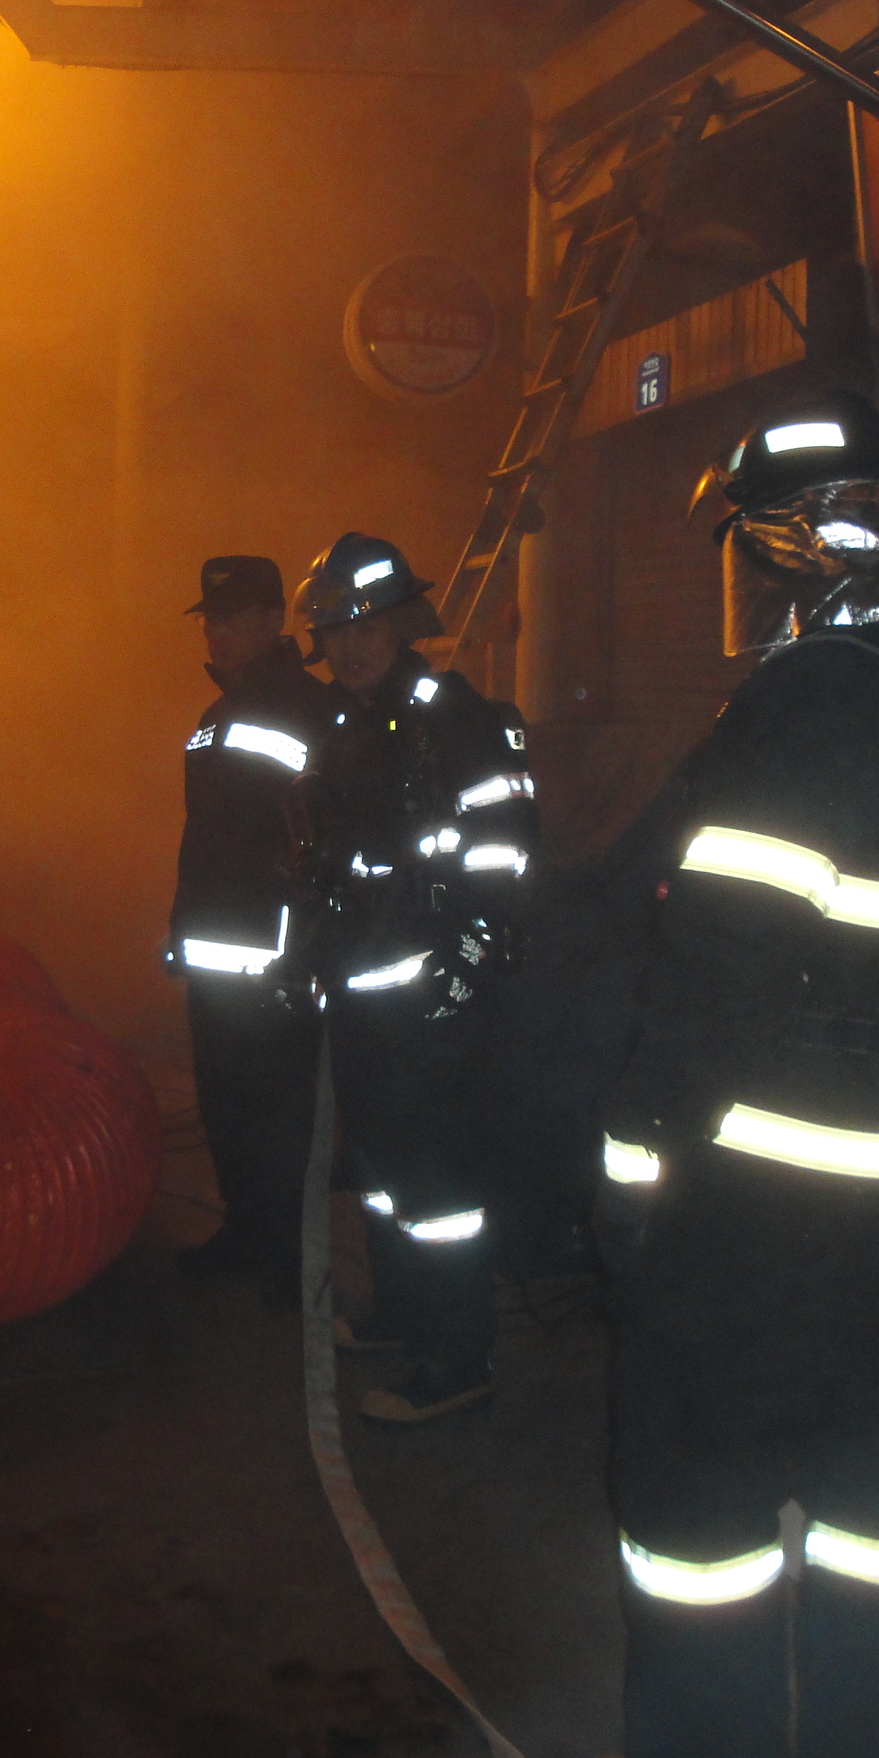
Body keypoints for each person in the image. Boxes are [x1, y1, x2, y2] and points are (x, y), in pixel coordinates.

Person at [590, 391, 879, 1758]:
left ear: (794, 551)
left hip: (763, 1204)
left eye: (746, 550)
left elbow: (722, 963)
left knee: (699, 1510)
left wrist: (634, 1161)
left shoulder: (813, 700)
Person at [296, 533, 534, 1424]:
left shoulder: (454, 718)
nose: (350, 645)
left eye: (365, 626)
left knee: (438, 1193)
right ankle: (402, 1314)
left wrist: (463, 967)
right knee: (382, 1174)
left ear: (403, 625)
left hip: (431, 1004)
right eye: (334, 630)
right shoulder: (348, 726)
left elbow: (506, 851)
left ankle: (456, 1358)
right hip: (363, 992)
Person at [165, 555, 334, 1288]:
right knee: (225, 1103)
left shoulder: (310, 709)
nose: (218, 633)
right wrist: (182, 930)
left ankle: (288, 1260)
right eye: (210, 619)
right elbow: (204, 841)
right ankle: (246, 1233)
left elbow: (322, 841)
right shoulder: (218, 717)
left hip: (275, 962)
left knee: (278, 1112)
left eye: (232, 618)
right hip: (214, 957)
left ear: (273, 620)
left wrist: (305, 952)